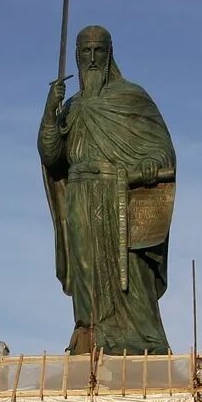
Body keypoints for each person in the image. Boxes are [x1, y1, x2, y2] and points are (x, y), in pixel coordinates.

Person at [39, 25, 177, 355]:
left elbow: (162, 149)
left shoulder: (131, 97)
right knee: (85, 266)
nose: (91, 58)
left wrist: (149, 163)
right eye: (84, 51)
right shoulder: (69, 108)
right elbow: (52, 155)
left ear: (109, 54)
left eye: (98, 50)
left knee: (130, 270)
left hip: (120, 194)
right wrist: (49, 112)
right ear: (76, 55)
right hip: (80, 195)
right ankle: (88, 332)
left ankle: (140, 338)